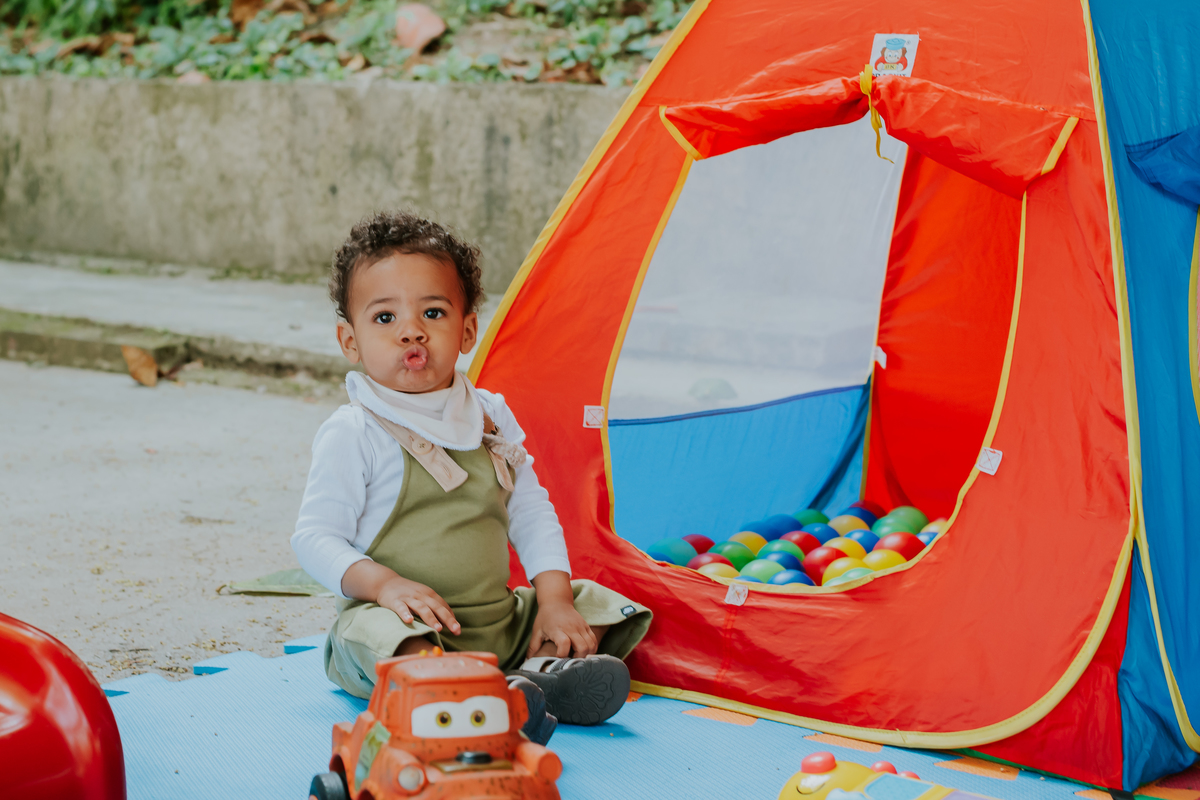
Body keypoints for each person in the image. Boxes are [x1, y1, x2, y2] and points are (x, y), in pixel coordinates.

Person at [292, 211, 651, 744]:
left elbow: (529, 509)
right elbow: (314, 538)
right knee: (382, 636)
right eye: (385, 319)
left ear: (466, 331)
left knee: (592, 603)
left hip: (495, 622)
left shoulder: (488, 416)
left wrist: (552, 600)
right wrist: (384, 585)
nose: (411, 330)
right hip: (407, 627)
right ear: (350, 340)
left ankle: (537, 675)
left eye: (432, 312)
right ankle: (454, 690)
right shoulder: (355, 431)